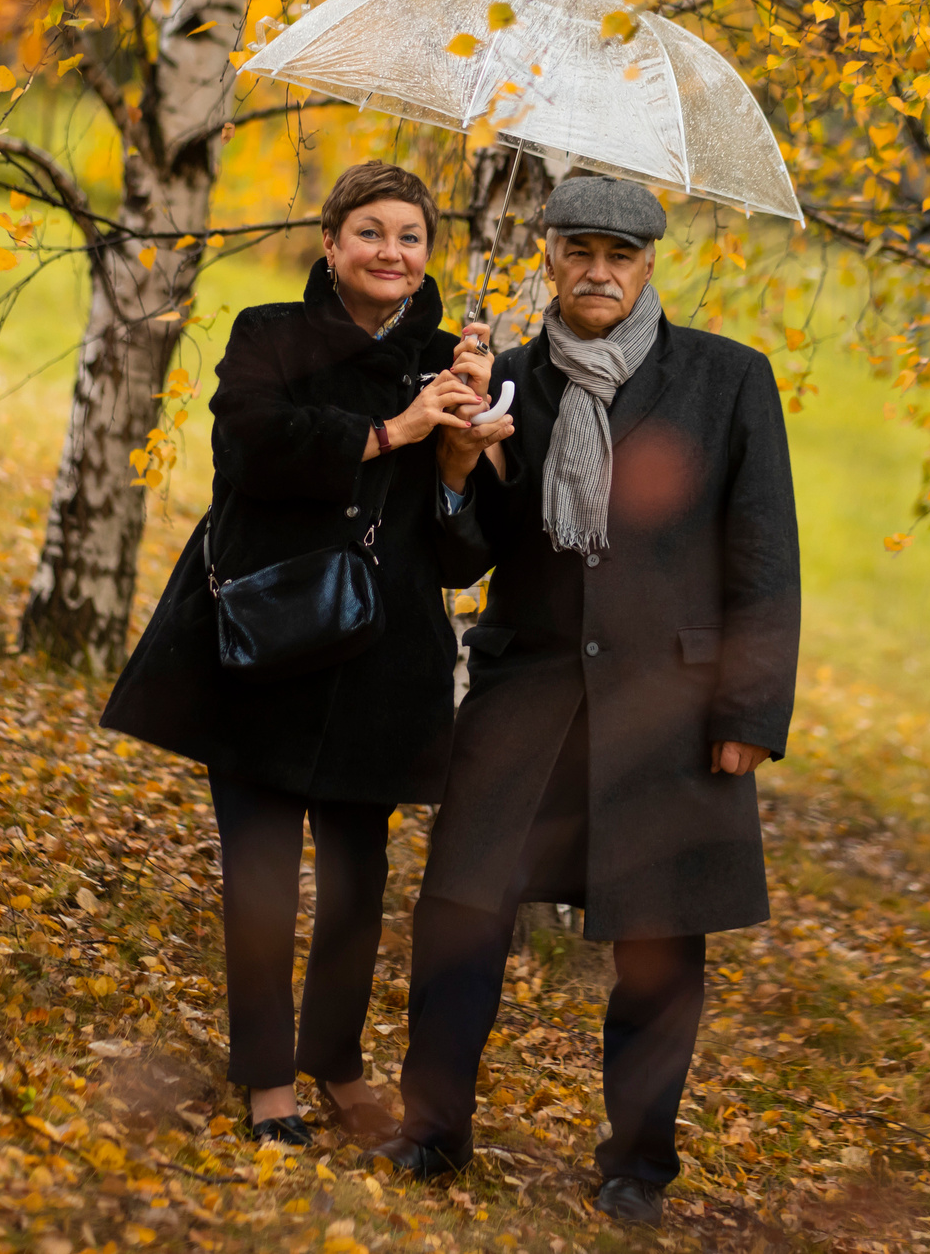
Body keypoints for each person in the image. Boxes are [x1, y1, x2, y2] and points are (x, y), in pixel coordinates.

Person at [367, 175, 801, 1227]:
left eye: (620, 254)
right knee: (461, 911)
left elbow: (765, 556)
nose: (598, 271)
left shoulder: (726, 380)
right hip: (529, 695)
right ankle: (432, 1129)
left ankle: (636, 1165)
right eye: (579, 253)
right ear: (550, 260)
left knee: (659, 942)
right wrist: (461, 465)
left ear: (650, 264)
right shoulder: (506, 378)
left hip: (672, 709)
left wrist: (748, 713)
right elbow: (461, 560)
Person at [101, 160, 514, 1148]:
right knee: (257, 875)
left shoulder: (452, 364)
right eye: (369, 231)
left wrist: (457, 463)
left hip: (380, 665)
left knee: (356, 883)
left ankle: (333, 1060)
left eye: (409, 235)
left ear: (425, 255)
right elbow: (251, 449)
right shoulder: (269, 336)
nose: (390, 251)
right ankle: (263, 1079)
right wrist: (392, 430)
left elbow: (459, 557)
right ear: (330, 244)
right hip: (263, 645)